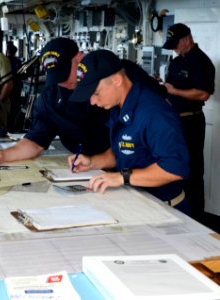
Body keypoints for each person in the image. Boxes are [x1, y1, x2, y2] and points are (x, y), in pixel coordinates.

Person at [69, 49, 190, 214]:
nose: (93, 101)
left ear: (117, 80)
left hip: (164, 208)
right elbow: (123, 150)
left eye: (96, 93)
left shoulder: (154, 113)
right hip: (137, 202)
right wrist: (92, 162)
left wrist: (122, 177)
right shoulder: (120, 106)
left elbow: (175, 169)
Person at [0, 38, 110, 166]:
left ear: (80, 57)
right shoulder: (50, 98)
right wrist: (3, 155)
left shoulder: (108, 83)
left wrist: (99, 162)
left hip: (119, 165)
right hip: (82, 166)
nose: (62, 82)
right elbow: (35, 142)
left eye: (65, 74)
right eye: (57, 76)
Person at [162, 23, 215, 223]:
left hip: (191, 121)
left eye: (176, 44)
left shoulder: (202, 63)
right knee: (175, 164)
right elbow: (168, 89)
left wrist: (174, 91)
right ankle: (178, 212)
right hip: (173, 120)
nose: (174, 48)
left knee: (193, 169)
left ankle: (198, 219)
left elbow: (203, 93)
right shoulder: (175, 63)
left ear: (187, 39)